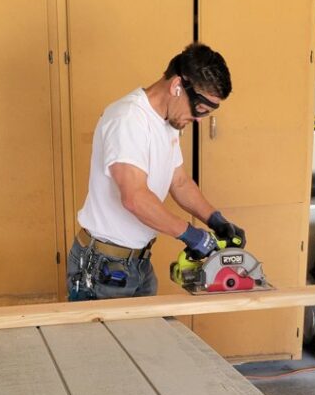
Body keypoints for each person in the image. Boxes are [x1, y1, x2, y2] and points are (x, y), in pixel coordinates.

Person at [66, 42, 246, 301]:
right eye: (200, 109)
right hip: (104, 268)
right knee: (103, 332)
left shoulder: (167, 123)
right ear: (177, 86)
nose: (198, 120)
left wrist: (216, 220)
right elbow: (134, 198)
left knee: (147, 329)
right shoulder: (128, 119)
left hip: (137, 263)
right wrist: (190, 234)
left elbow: (180, 182)